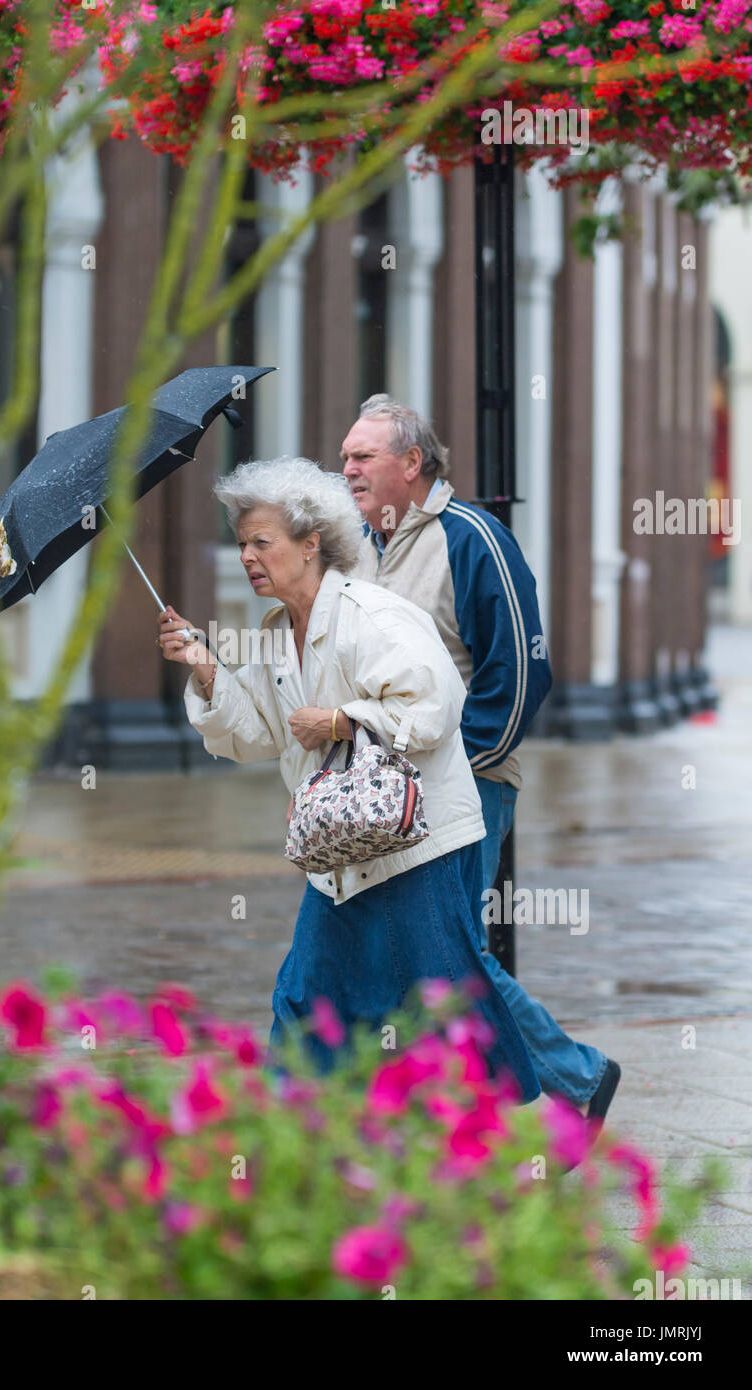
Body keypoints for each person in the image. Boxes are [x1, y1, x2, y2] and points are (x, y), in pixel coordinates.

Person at [157, 454, 540, 1100]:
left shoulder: (370, 617)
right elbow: (256, 729)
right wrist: (202, 666)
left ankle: (515, 1131)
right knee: (304, 997)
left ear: (310, 545)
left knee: (446, 1004)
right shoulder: (278, 634)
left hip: (416, 844)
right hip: (341, 852)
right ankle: (298, 1134)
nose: (247, 556)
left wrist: (339, 719)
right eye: (241, 542)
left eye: (262, 542)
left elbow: (435, 705)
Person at [341, 393, 620, 1130]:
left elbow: (521, 674)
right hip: (383, 796)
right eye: (343, 457)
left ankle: (572, 1078)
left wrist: (458, 770)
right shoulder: (361, 547)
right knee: (419, 951)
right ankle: (445, 1103)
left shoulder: (472, 538)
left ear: (411, 462)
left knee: (447, 952)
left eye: (361, 456)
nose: (347, 469)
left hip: (467, 788)